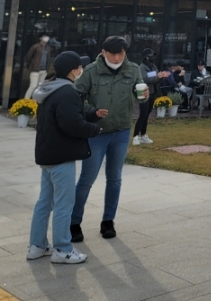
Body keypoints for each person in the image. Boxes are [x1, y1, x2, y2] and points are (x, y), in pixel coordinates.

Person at [28, 52, 107, 265]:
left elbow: (66, 116)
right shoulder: (67, 92)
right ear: (74, 71)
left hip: (47, 154)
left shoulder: (49, 88)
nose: (82, 69)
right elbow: (72, 124)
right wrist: (95, 129)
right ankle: (63, 249)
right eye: (80, 67)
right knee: (64, 204)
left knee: (45, 202)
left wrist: (92, 115)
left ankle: (37, 245)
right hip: (61, 156)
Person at [70, 36, 148, 242]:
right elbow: (76, 98)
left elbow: (139, 93)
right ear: (103, 53)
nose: (116, 58)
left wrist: (144, 95)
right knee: (87, 179)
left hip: (122, 131)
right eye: (112, 54)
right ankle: (74, 223)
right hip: (97, 132)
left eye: (120, 53)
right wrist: (92, 112)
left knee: (114, 178)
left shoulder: (133, 69)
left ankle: (108, 221)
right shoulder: (91, 71)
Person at [133, 48, 159, 145]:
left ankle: (143, 135)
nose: (153, 57)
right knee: (142, 115)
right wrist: (157, 76)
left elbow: (155, 76)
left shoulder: (153, 66)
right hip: (143, 93)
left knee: (147, 115)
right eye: (151, 55)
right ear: (146, 57)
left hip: (152, 92)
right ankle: (135, 136)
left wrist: (159, 77)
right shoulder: (142, 67)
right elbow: (144, 78)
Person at [24, 34, 55, 100]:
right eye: (44, 36)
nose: (46, 38)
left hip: (44, 70)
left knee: (39, 87)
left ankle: (35, 101)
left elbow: (48, 59)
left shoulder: (48, 48)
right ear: (40, 38)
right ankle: (26, 101)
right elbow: (28, 57)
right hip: (35, 70)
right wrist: (31, 66)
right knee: (33, 86)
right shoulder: (35, 47)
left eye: (47, 36)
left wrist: (47, 68)